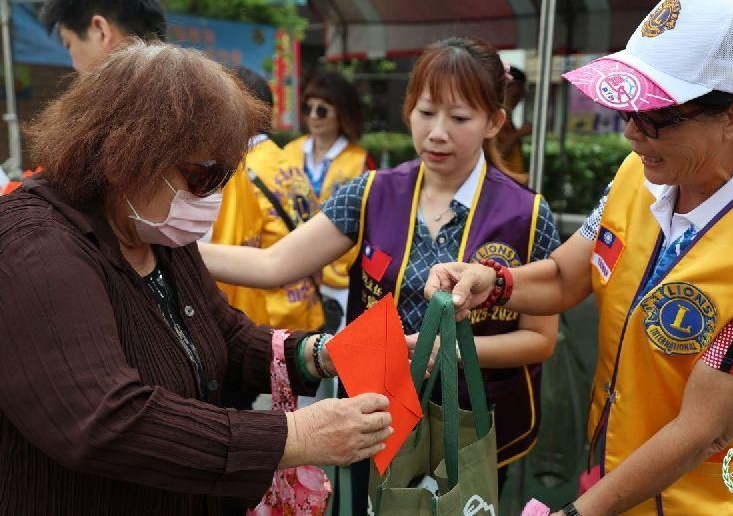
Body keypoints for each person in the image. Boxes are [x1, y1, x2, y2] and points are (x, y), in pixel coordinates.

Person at [426, 0, 733, 514]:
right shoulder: (640, 176)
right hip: (613, 473)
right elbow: (565, 277)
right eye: (627, 109)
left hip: (711, 502)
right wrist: (492, 282)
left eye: (654, 117)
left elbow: (702, 431)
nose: (629, 132)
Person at [0, 42, 392, 516]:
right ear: (127, 157)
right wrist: (293, 436)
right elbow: (105, 419)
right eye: (203, 177)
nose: (213, 197)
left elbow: (224, 334)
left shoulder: (154, 230)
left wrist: (327, 354)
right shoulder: (36, 247)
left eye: (224, 177)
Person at [200, 36, 561, 511]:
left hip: (473, 424)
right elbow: (275, 264)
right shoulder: (370, 192)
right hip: (375, 413)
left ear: (494, 121)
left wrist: (445, 350)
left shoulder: (527, 215)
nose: (437, 133)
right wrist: (174, 245)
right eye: (426, 112)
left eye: (459, 118)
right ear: (407, 109)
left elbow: (540, 339)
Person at [211, 67, 324, 332]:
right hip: (306, 310)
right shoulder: (286, 160)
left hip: (267, 323)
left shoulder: (239, 170)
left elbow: (231, 249)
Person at [281, 71, 375, 330]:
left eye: (321, 110)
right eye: (308, 108)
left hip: (341, 280)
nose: (312, 116)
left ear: (341, 113)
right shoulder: (288, 152)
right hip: (293, 273)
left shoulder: (359, 160)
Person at [40, 0, 166, 75]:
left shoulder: (110, 107)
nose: (74, 66)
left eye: (69, 44)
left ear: (101, 32)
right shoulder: (181, 88)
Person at [496, 65, 532, 179]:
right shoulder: (492, 120)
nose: (516, 102)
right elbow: (496, 154)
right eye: (514, 96)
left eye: (519, 98)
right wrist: (518, 134)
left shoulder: (509, 120)